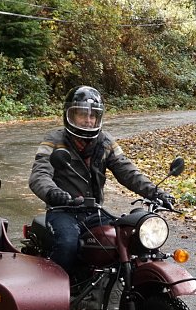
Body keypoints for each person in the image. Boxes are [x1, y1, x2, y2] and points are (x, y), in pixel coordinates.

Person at [29, 85, 174, 273]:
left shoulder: (105, 142)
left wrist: (156, 192)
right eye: (82, 114)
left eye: (93, 115)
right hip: (63, 210)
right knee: (67, 244)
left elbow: (127, 171)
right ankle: (55, 291)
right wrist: (53, 193)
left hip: (95, 211)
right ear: (69, 116)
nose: (88, 120)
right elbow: (39, 174)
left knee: (124, 241)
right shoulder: (55, 140)